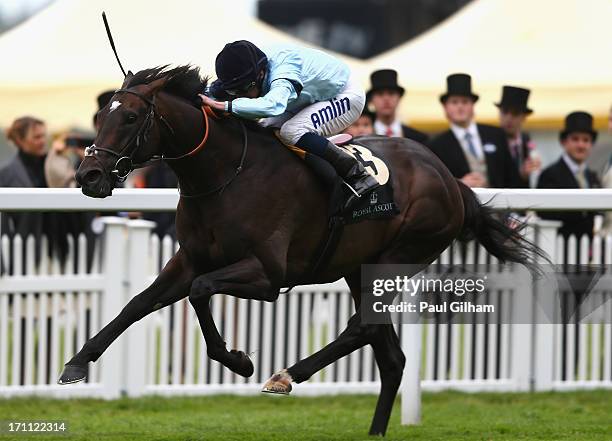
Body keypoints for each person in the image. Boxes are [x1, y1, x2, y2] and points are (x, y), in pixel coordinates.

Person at [200, 40, 378, 210]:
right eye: (234, 91)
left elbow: (273, 105)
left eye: (245, 89)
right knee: (264, 129)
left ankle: (356, 174)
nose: (241, 95)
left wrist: (227, 105)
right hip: (308, 98)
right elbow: (210, 93)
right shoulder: (248, 71)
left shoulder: (284, 70)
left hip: (345, 95)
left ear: (261, 73)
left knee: (291, 131)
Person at [428, 73, 521, 188]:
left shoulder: (496, 135)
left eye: (465, 102)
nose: (460, 107)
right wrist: (460, 184)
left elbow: (511, 176)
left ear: (473, 106)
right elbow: (434, 184)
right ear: (445, 107)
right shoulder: (437, 145)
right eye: (454, 102)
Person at [537, 111, 601, 239]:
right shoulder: (550, 175)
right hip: (560, 248)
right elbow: (545, 213)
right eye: (575, 139)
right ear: (564, 142)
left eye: (586, 140)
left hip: (588, 250)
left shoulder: (592, 177)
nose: (581, 145)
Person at [496, 86, 541, 187]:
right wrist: (520, 175)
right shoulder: (491, 141)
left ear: (524, 117)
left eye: (515, 114)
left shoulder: (526, 140)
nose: (509, 118)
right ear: (499, 113)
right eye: (505, 112)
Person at [367, 69, 428, 143]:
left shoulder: (418, 139)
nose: (386, 99)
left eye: (391, 93)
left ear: (399, 98)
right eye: (380, 94)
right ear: (371, 100)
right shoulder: (362, 137)